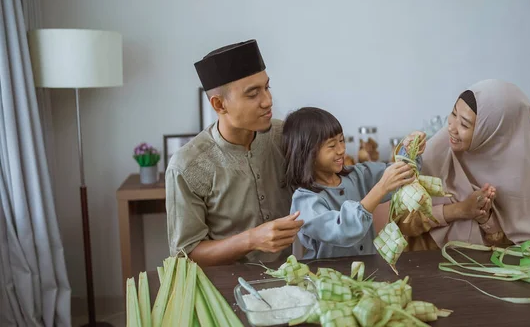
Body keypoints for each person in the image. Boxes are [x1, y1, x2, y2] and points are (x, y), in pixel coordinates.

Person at [166, 39, 303, 267]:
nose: (267, 101)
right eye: (253, 94)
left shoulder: (286, 137)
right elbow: (186, 254)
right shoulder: (187, 166)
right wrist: (251, 239)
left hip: (289, 280)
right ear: (219, 105)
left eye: (267, 87)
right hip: (224, 290)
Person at [396, 79, 530, 250]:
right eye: (453, 114)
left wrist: (485, 218)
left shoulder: (518, 181)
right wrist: (460, 210)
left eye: (464, 124)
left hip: (482, 273)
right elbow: (403, 221)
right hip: (424, 264)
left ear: (493, 133)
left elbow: (518, 250)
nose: (452, 127)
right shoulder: (435, 156)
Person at [283, 107, 424, 259]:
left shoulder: (357, 175)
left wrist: (410, 150)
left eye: (342, 140)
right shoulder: (305, 201)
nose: (341, 149)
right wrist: (380, 188)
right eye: (332, 145)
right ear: (307, 153)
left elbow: (404, 174)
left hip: (368, 274)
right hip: (326, 278)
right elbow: (343, 230)